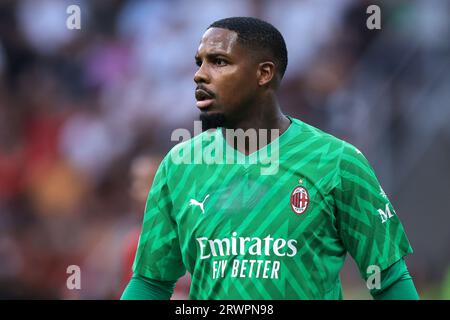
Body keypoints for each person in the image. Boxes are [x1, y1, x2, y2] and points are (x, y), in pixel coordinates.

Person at [121, 17, 419, 300]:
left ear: (264, 73)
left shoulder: (337, 161)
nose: (200, 74)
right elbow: (151, 283)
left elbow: (388, 280)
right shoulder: (179, 165)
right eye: (200, 62)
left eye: (219, 61)